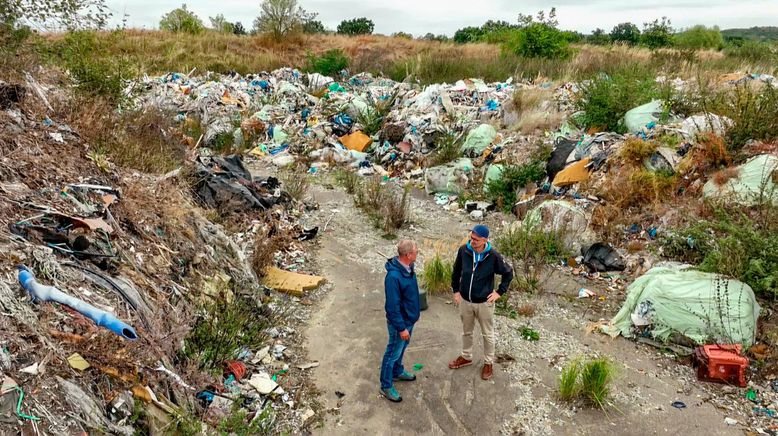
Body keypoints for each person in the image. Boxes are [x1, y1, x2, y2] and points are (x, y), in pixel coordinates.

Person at [448, 225, 513, 380]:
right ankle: (466, 356)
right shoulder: (464, 251)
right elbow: (456, 271)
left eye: (476, 240)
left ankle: (488, 363)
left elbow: (508, 273)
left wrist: (499, 292)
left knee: (487, 334)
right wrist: (456, 291)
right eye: (471, 238)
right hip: (465, 301)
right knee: (466, 332)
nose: (473, 241)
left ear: (485, 240)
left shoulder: (493, 256)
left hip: (484, 303)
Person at [379, 239, 421, 402]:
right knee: (392, 352)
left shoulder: (408, 268)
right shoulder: (393, 277)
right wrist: (401, 328)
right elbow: (392, 307)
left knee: (401, 349)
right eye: (416, 251)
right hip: (400, 324)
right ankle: (386, 386)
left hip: (409, 320)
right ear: (408, 255)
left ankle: (397, 372)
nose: (418, 253)